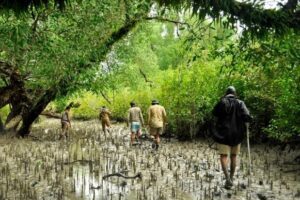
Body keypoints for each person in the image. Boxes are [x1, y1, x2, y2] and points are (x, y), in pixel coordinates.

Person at [212, 86, 252, 189]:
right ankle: (231, 177)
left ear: (226, 93)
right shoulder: (240, 103)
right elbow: (247, 116)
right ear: (235, 93)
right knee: (234, 156)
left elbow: (214, 113)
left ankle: (227, 179)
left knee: (223, 156)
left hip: (223, 134)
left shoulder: (222, 102)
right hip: (237, 135)